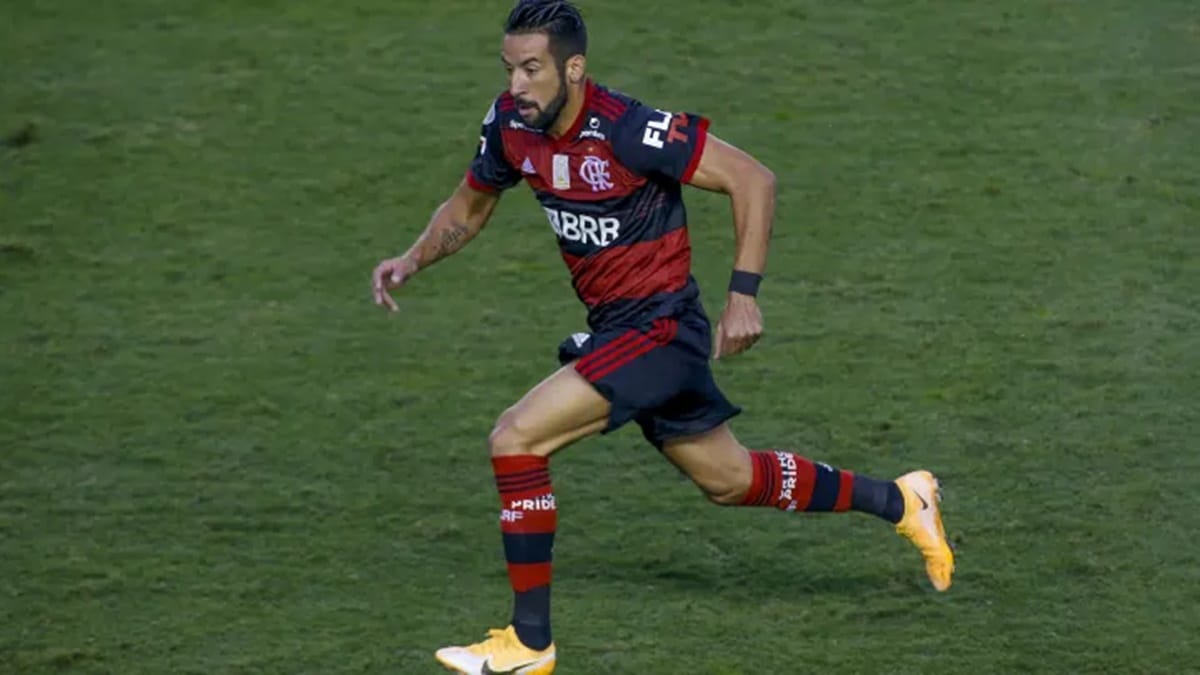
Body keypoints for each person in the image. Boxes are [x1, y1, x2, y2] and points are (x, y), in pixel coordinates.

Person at [371, 1, 955, 672]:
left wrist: (744, 294)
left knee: (515, 438)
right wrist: (412, 257)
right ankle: (902, 498)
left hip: (662, 330)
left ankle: (529, 643)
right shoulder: (510, 126)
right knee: (728, 479)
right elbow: (470, 206)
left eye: (532, 70)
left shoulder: (630, 131)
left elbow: (752, 178)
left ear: (575, 68)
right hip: (618, 330)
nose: (517, 87)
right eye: (510, 70)